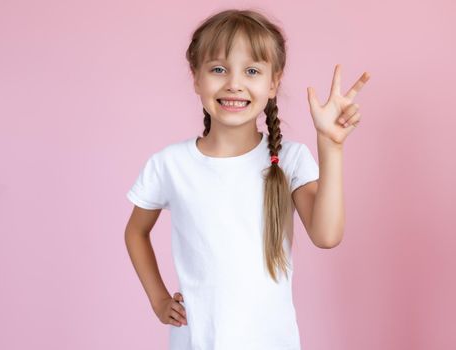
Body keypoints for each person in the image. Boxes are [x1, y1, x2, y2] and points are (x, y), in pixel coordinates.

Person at [124, 8, 370, 350]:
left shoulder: (289, 159)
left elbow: (327, 235)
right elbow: (136, 231)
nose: (234, 83)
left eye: (251, 70)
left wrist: (330, 145)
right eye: (218, 69)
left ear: (273, 83)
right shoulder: (170, 164)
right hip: (196, 341)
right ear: (196, 77)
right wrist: (158, 300)